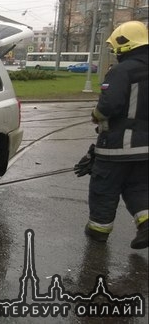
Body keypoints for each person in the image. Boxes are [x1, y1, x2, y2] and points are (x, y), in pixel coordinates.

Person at [79, 21, 148, 249]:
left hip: (119, 145)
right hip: (145, 149)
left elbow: (109, 105)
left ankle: (98, 231)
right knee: (138, 187)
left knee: (104, 187)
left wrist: (95, 115)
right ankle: (147, 224)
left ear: (123, 45)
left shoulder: (121, 71)